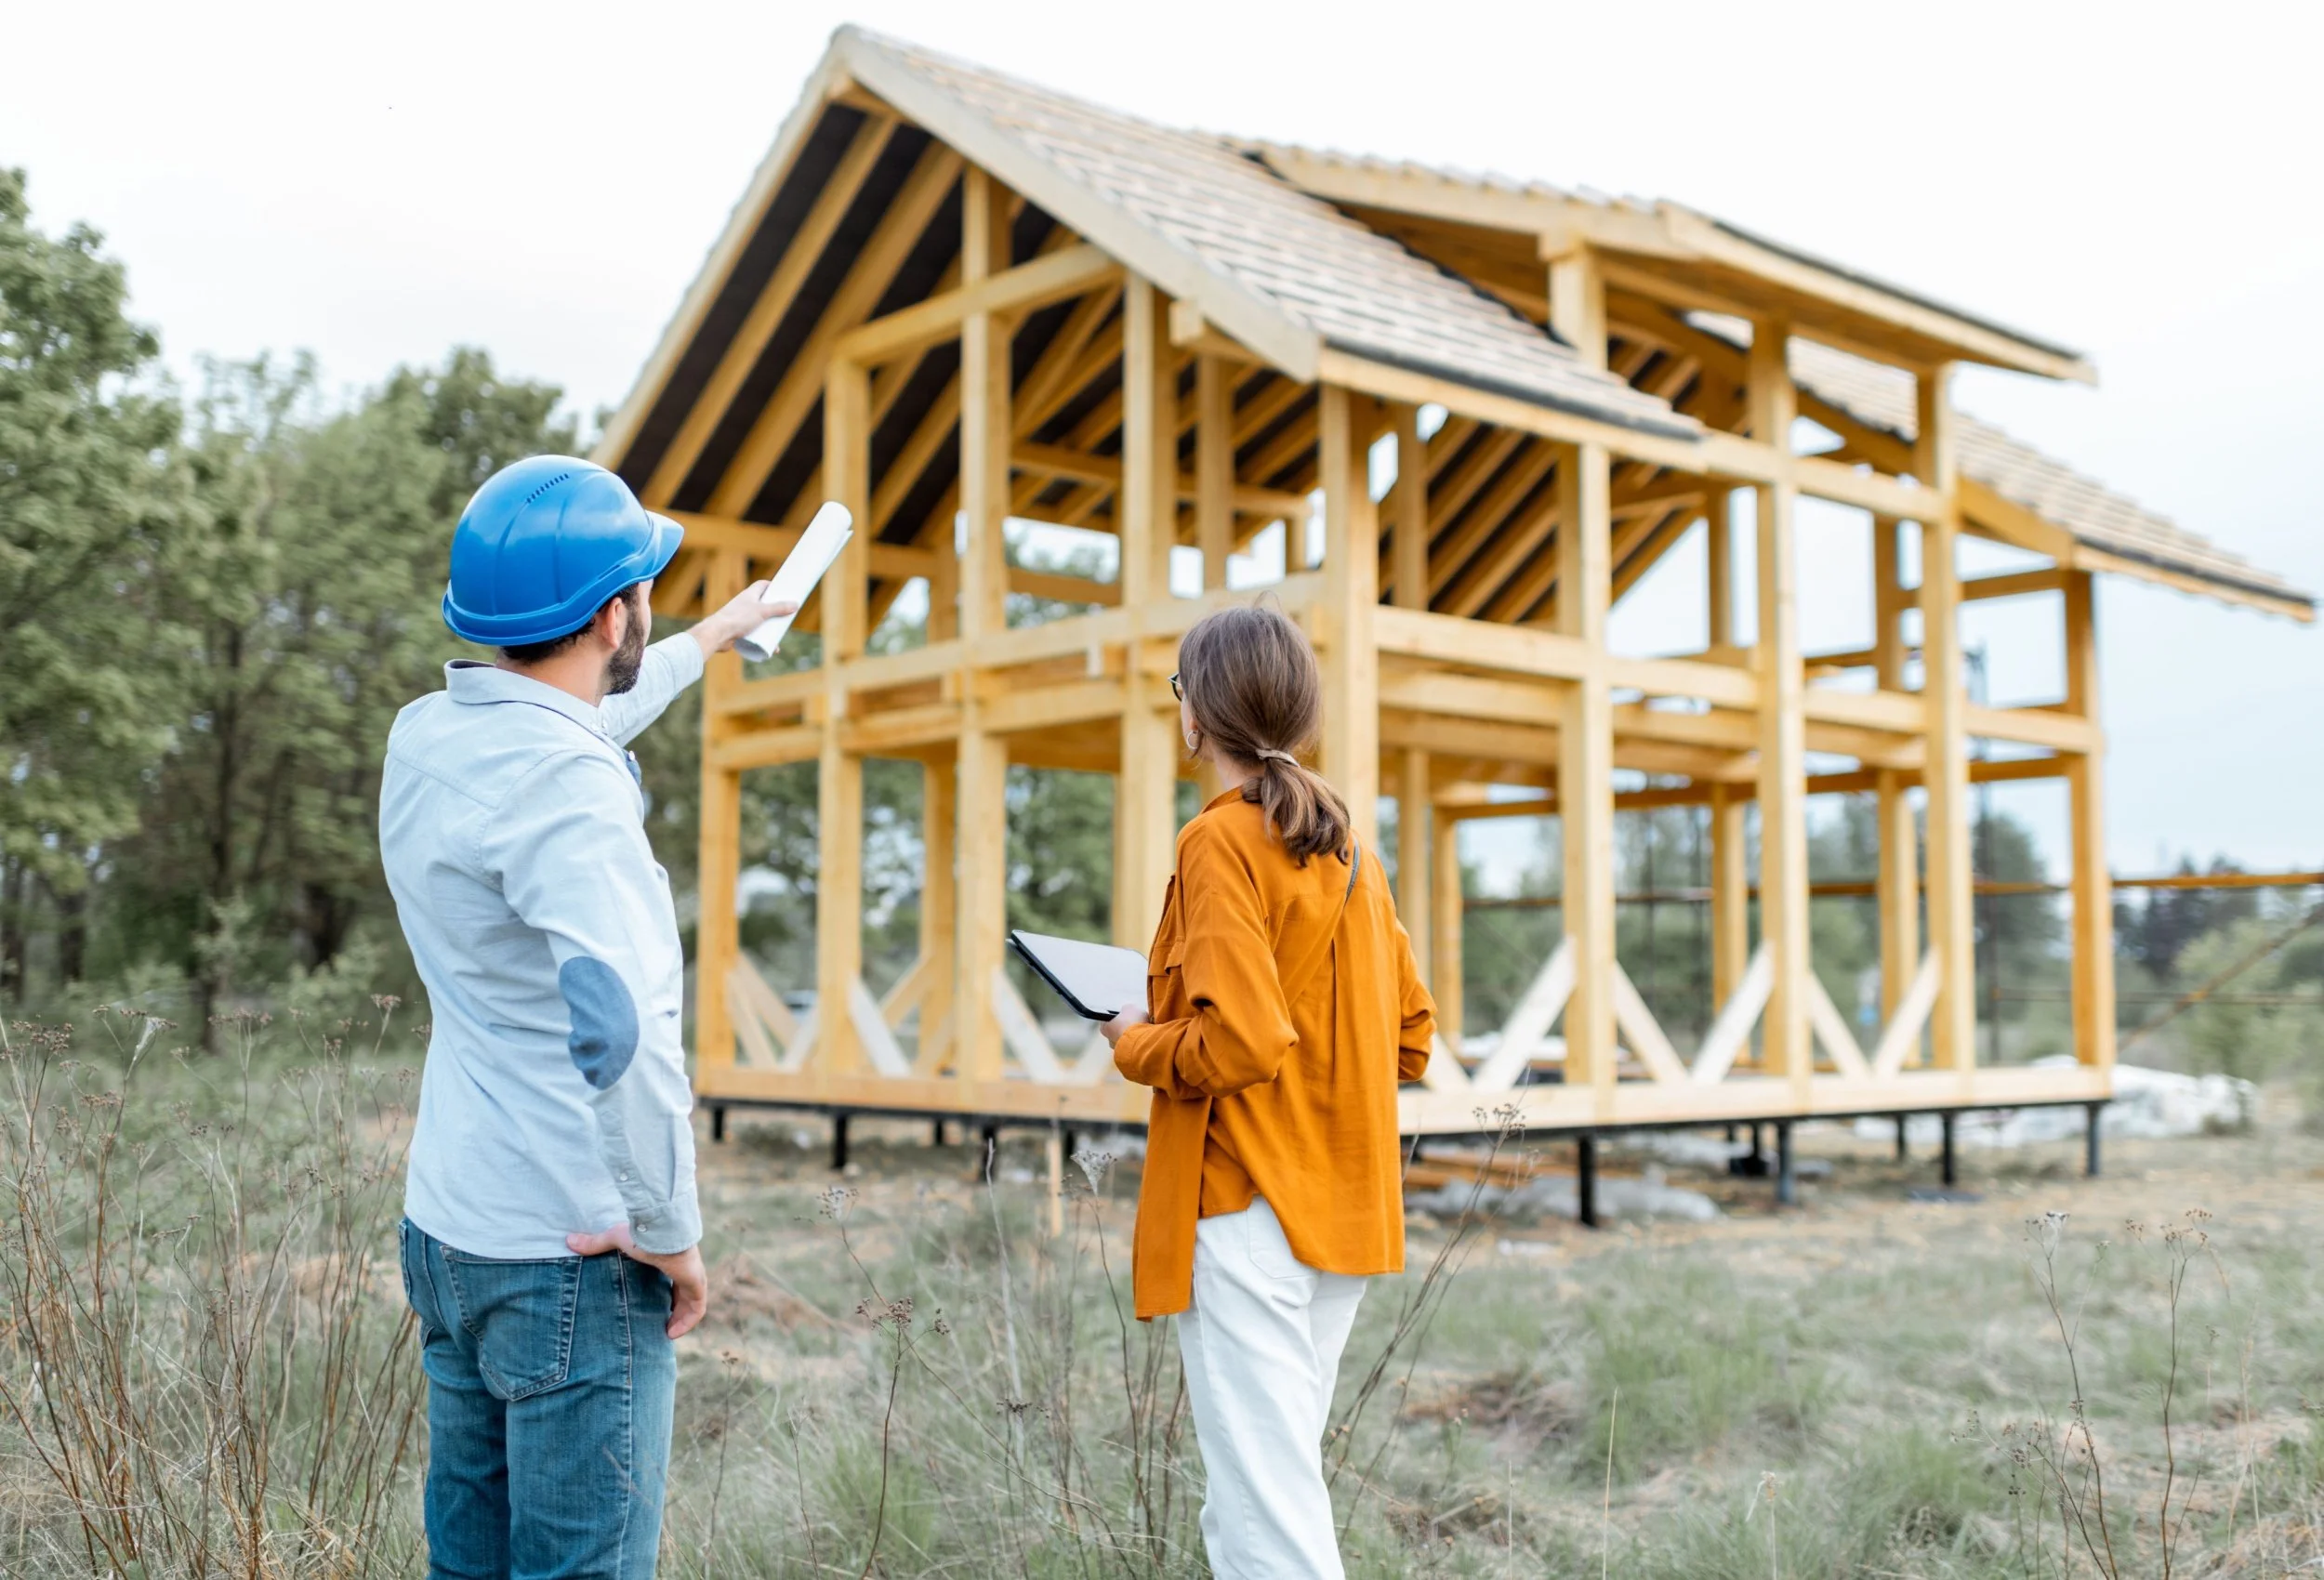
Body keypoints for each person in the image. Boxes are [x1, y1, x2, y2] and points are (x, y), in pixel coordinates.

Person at [379, 454, 792, 1580]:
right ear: (614, 613)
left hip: (452, 1229)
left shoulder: (430, 737)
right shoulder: (568, 786)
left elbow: (572, 721)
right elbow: (623, 1035)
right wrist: (670, 1226)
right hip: (572, 1251)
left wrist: (711, 635)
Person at [1103, 602, 1433, 1578]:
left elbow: (1242, 1040)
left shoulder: (1218, 841)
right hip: (1341, 1211)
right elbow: (1410, 1038)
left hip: (1246, 1207)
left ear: (1196, 713)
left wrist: (1135, 1039)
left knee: (1269, 1517)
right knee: (1252, 1499)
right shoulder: (1346, 849)